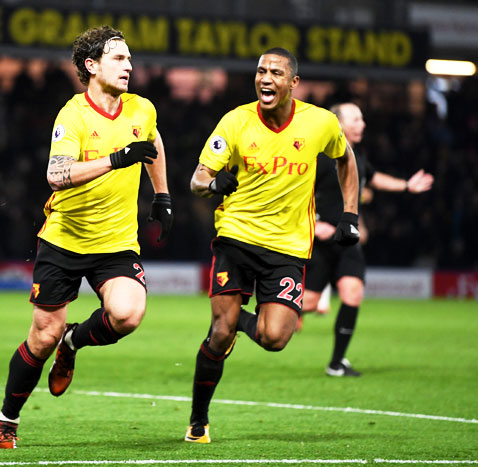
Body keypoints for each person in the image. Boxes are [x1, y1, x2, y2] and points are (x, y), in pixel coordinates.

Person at [0, 26, 173, 449]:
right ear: (91, 66)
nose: (129, 65)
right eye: (118, 58)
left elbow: (153, 140)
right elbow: (56, 175)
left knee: (127, 314)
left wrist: (162, 195)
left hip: (116, 242)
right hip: (65, 241)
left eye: (129, 58)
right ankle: (8, 419)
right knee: (42, 336)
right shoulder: (73, 115)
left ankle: (73, 342)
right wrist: (115, 160)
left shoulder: (142, 108)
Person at [184, 47, 360, 444]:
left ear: (293, 83)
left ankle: (238, 318)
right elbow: (196, 180)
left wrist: (350, 214)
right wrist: (213, 184)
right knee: (220, 333)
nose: (266, 78)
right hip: (237, 237)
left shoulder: (320, 122)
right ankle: (198, 419)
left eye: (276, 73)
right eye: (261, 71)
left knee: (275, 337)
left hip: (288, 248)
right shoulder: (235, 121)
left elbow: (346, 158)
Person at [301, 102, 434, 377]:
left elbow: (372, 178)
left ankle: (336, 363)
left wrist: (406, 186)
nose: (362, 124)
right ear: (337, 123)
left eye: (362, 118)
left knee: (353, 292)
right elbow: (293, 194)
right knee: (309, 303)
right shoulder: (320, 156)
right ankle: (258, 316)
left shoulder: (355, 154)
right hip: (320, 241)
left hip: (347, 241)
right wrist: (314, 226)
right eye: (356, 119)